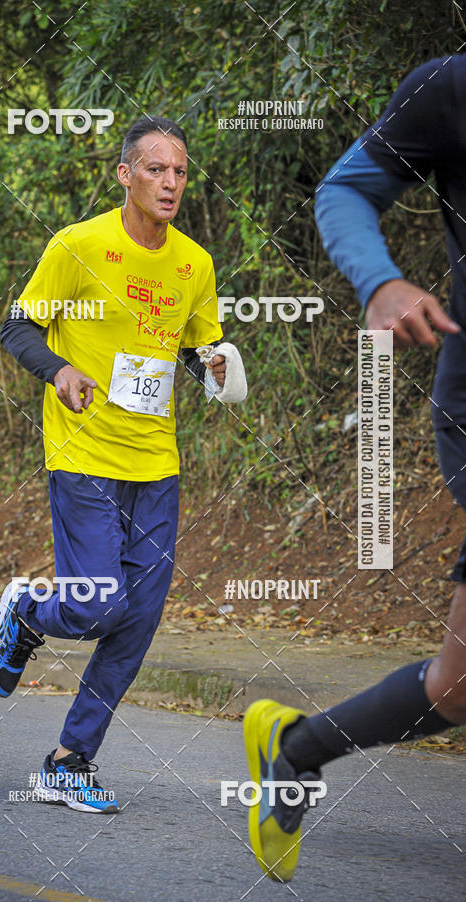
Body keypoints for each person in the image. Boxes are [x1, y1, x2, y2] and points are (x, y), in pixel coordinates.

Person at [0, 116, 245, 814]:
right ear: (125, 174)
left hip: (156, 461)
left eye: (180, 172)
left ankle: (69, 762)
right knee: (100, 605)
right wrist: (60, 368)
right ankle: (28, 610)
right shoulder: (78, 246)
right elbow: (16, 326)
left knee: (136, 620)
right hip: (83, 452)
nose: (170, 183)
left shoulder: (194, 263)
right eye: (155, 169)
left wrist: (214, 365)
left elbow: (197, 347)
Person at [243, 55, 466, 881]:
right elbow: (342, 190)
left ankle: (296, 748)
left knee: (456, 688)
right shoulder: (451, 88)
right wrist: (378, 282)